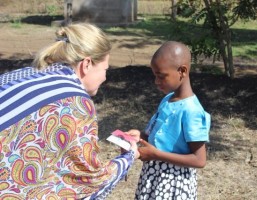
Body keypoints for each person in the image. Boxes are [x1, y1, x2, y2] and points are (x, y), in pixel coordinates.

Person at [0, 23, 140, 199]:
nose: (105, 77)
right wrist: (128, 157)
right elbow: (89, 180)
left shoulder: (22, 74)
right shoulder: (76, 101)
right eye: (105, 69)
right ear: (87, 64)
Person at [134, 41, 211, 200]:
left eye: (161, 76)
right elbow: (157, 136)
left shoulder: (192, 111)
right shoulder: (168, 99)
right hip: (153, 176)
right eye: (155, 75)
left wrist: (156, 155)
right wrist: (138, 136)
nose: (156, 81)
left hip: (175, 183)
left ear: (182, 71)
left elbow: (199, 160)